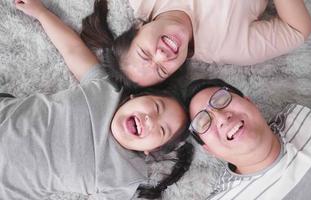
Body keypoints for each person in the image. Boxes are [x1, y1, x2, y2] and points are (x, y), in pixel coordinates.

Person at [1, 0, 194, 199]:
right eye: (156, 106)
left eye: (162, 130)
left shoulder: (126, 177)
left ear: (151, 150)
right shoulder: (106, 90)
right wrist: (41, 13)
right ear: (135, 97)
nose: (151, 120)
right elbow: (72, 50)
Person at [185, 78, 311, 199]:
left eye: (221, 99)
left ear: (249, 101)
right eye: (204, 122)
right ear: (209, 149)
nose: (222, 118)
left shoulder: (307, 115)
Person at [81, 0, 311, 87]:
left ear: (138, 28)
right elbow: (297, 30)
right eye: (162, 70)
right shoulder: (227, 46)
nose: (162, 56)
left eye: (145, 53)